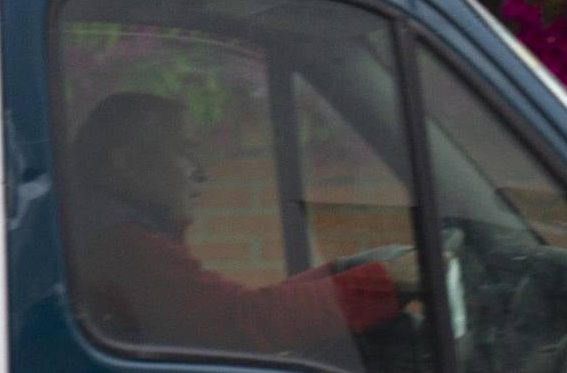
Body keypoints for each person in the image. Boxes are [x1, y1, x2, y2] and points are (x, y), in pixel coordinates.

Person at [65, 92, 419, 354]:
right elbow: (239, 325)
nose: (201, 173)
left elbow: (241, 310)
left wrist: (343, 270)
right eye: (185, 152)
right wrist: (389, 283)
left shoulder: (105, 227)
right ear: (126, 162)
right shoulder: (123, 243)